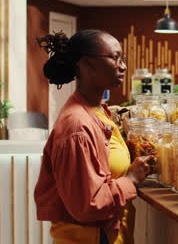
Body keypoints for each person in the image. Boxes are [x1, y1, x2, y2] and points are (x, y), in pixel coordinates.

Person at [34, 30, 151, 243]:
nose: (123, 66)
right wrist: (131, 179)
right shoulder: (77, 127)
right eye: (114, 58)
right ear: (86, 64)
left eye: (122, 58)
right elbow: (88, 206)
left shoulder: (98, 111)